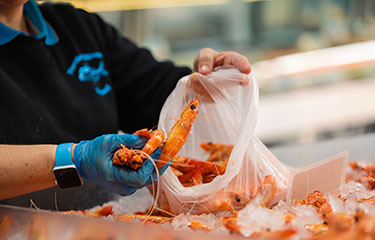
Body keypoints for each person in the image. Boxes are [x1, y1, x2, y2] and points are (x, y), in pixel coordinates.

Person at [0, 0, 251, 205]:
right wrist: (76, 160)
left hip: (93, 230)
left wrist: (205, 81)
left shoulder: (76, 26)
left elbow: (152, 89)